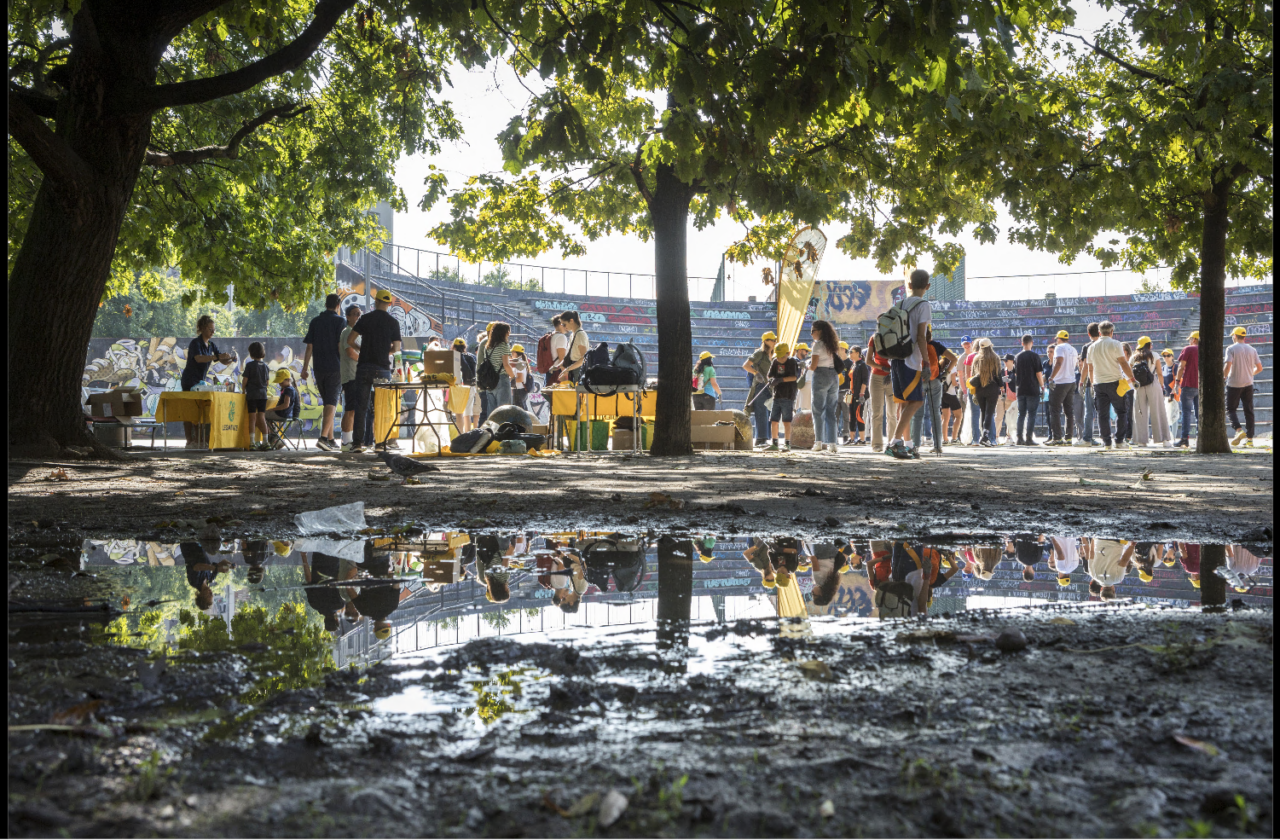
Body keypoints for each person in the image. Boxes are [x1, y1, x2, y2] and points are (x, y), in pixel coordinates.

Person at [346, 289, 402, 454]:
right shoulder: (393, 322)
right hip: (383, 368)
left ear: (376, 301)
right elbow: (396, 348)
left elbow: (350, 340)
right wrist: (385, 352)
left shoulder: (365, 319)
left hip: (364, 367)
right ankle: (379, 443)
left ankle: (357, 443)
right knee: (381, 408)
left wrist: (361, 349)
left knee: (361, 406)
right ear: (389, 304)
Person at [886, 269, 933, 459]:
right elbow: (921, 337)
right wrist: (927, 363)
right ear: (928, 286)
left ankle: (905, 444)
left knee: (906, 404)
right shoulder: (924, 305)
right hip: (911, 361)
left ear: (909, 285)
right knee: (917, 401)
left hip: (896, 357)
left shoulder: (900, 303)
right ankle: (895, 442)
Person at [179, 314, 236, 446]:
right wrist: (216, 356)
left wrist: (229, 359)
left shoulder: (211, 344)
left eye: (213, 329)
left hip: (200, 381)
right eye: (210, 329)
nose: (213, 332)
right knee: (190, 410)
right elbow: (199, 358)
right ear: (203, 328)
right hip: (190, 380)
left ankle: (200, 439)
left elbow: (220, 359)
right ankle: (190, 440)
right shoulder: (195, 343)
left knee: (201, 410)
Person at [301, 293, 345, 451]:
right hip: (335, 367)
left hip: (318, 368)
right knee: (332, 402)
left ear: (326, 304)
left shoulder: (315, 321)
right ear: (338, 305)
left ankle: (331, 439)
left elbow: (309, 347)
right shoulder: (341, 321)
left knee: (328, 403)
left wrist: (305, 368)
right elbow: (341, 346)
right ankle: (323, 438)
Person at [1090, 320, 1139, 450]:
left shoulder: (1092, 347)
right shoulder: (1116, 344)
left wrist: (1091, 383)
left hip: (1098, 383)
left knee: (1102, 414)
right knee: (1122, 412)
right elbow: (1123, 363)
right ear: (1112, 332)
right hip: (1115, 383)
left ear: (1099, 332)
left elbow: (1090, 368)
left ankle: (1106, 443)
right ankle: (1119, 441)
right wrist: (1132, 378)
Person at [910, 326, 954, 454]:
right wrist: (946, 373)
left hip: (919, 381)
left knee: (918, 415)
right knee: (935, 413)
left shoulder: (915, 346)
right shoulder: (936, 345)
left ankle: (916, 445)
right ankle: (938, 446)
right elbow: (954, 358)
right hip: (935, 380)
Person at [338, 305, 372, 451]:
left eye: (359, 314)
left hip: (353, 375)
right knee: (350, 409)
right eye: (355, 314)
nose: (358, 317)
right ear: (347, 316)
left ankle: (348, 440)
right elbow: (350, 352)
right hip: (351, 375)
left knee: (352, 408)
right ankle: (346, 442)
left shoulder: (354, 333)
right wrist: (365, 359)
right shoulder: (348, 332)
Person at [1224, 326, 1263, 446]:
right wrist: (1250, 374)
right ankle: (1250, 439)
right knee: (1249, 411)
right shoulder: (1252, 349)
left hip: (1234, 383)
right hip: (1248, 384)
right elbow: (1260, 368)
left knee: (1230, 409)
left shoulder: (1231, 348)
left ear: (1235, 336)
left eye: (1232, 336)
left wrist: (1223, 377)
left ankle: (1238, 430)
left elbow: (1228, 366)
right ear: (1244, 336)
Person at [1130, 336, 1172, 447]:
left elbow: (1130, 373)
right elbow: (1159, 373)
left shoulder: (1134, 357)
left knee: (1140, 413)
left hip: (1139, 386)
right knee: (1158, 411)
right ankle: (1164, 440)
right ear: (1148, 344)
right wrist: (1161, 386)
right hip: (1153, 383)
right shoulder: (1154, 355)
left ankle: (1141, 441)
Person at [807, 322, 841, 453]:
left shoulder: (818, 345)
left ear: (820, 331)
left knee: (818, 410)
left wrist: (806, 365)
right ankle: (832, 443)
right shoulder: (832, 344)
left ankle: (819, 442)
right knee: (831, 411)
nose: (811, 333)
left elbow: (814, 366)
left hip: (821, 375)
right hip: (833, 375)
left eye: (813, 330)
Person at [744, 331, 778, 446]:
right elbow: (745, 365)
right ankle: (761, 439)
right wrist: (755, 373)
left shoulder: (772, 355)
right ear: (766, 341)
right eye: (773, 340)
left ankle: (763, 438)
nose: (774, 342)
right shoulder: (759, 353)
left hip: (769, 387)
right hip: (760, 386)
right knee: (761, 412)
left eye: (775, 340)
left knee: (767, 412)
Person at [1046, 330, 1078, 446]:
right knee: (1069, 411)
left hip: (1060, 382)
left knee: (1054, 409)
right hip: (1071, 381)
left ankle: (1057, 437)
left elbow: (1059, 362)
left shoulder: (1059, 348)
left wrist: (1051, 377)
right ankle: (1068, 437)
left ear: (1058, 339)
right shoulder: (1073, 349)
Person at [479, 322, 516, 420]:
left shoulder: (488, 346)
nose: (509, 333)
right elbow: (506, 364)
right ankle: (503, 433)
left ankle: (493, 432)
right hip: (502, 379)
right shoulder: (503, 345)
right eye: (508, 331)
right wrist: (513, 376)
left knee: (492, 412)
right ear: (503, 332)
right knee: (504, 411)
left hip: (490, 381)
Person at [1073, 322, 1102, 447]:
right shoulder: (1105, 345)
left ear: (1089, 334)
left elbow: (1085, 366)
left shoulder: (1087, 347)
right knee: (1102, 412)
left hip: (1091, 382)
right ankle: (1106, 438)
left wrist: (1081, 382)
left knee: (1089, 412)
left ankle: (1087, 438)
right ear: (1100, 332)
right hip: (1106, 381)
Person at [765, 342, 798, 450]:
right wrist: (771, 380)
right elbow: (769, 375)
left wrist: (781, 380)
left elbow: (794, 377)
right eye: (778, 356)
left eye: (782, 356)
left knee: (786, 420)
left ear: (788, 353)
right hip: (776, 395)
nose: (780, 359)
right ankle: (774, 443)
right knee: (774, 420)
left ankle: (787, 443)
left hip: (788, 396)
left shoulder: (792, 362)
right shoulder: (775, 362)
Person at [1013, 334, 1045, 446]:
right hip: (1032, 389)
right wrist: (1042, 386)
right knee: (1032, 414)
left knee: (1021, 414)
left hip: (1020, 389)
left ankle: (1019, 438)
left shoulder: (1017, 357)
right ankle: (1029, 438)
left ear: (1022, 343)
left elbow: (1015, 373)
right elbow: (1038, 373)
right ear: (1032, 343)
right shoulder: (1035, 356)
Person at [865, 335, 895, 453]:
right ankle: (877, 444)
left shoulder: (896, 337)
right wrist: (882, 367)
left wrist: (892, 371)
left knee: (892, 413)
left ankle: (893, 442)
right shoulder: (874, 338)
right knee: (876, 413)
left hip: (892, 377)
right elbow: (868, 360)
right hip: (877, 377)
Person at [971, 338, 1002, 447]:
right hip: (992, 388)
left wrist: (974, 392)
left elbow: (972, 375)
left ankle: (984, 436)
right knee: (990, 412)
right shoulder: (995, 358)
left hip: (980, 389)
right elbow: (998, 375)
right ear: (990, 346)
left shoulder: (976, 358)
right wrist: (1001, 385)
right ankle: (985, 436)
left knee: (983, 412)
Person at [241, 342, 271, 451]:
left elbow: (245, 381)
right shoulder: (266, 366)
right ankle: (266, 442)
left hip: (252, 394)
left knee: (252, 418)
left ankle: (252, 442)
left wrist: (243, 390)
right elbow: (267, 382)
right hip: (263, 395)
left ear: (251, 353)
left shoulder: (249, 365)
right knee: (261, 417)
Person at [1174, 330, 1200, 447]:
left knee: (1186, 413)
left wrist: (1177, 382)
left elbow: (1181, 366)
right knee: (1199, 414)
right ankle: (1200, 438)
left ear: (1194, 339)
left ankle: (1185, 439)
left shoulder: (1189, 349)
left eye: (1190, 339)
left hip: (1188, 384)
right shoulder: (1205, 350)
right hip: (1200, 386)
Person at [549, 311, 589, 383]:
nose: (563, 326)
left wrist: (567, 369)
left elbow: (584, 359)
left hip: (579, 370)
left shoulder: (580, 335)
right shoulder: (573, 334)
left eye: (564, 324)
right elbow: (570, 355)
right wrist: (558, 366)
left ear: (571, 321)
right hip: (574, 369)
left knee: (577, 393)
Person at [265, 368, 300, 448]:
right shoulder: (290, 389)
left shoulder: (288, 390)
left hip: (282, 414)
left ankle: (274, 436)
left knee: (262, 415)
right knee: (268, 418)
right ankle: (276, 437)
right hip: (286, 414)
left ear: (288, 380)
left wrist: (272, 409)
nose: (280, 384)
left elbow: (285, 405)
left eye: (281, 381)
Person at [452, 336, 478, 434]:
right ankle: (468, 434)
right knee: (467, 413)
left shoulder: (453, 357)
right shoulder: (471, 356)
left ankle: (460, 434)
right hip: (470, 386)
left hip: (458, 387)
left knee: (459, 413)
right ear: (464, 347)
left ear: (454, 347)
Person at [957, 336, 978, 445]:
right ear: (962, 345)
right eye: (964, 344)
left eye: (968, 343)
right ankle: (964, 437)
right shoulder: (962, 358)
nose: (967, 345)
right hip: (966, 389)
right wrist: (964, 392)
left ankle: (974, 436)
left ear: (972, 343)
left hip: (975, 388)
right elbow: (961, 376)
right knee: (966, 414)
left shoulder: (975, 355)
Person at [847, 345, 869, 445]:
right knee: (851, 416)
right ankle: (851, 439)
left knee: (858, 415)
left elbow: (865, 381)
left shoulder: (862, 365)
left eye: (851, 351)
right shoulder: (854, 365)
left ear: (857, 353)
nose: (850, 353)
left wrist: (861, 394)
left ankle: (862, 439)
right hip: (851, 394)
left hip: (859, 395)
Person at [999, 353, 1019, 446]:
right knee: (1008, 417)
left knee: (1015, 418)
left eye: (1006, 361)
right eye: (1003, 361)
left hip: (1017, 397)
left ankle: (1015, 435)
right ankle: (1009, 435)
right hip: (1007, 398)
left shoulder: (1017, 370)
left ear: (1012, 361)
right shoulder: (1003, 371)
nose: (1004, 362)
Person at [1161, 348, 1181, 440]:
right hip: (1165, 395)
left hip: (1174, 394)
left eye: (1168, 355)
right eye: (1164, 356)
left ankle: (1173, 437)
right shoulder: (1163, 368)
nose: (1166, 357)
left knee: (1174, 417)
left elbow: (1179, 379)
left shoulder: (1176, 367)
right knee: (1166, 416)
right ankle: (1168, 436)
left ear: (1172, 356)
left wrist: (1174, 390)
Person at [835, 341, 852, 443]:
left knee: (846, 415)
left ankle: (846, 435)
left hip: (847, 392)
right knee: (835, 415)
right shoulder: (835, 362)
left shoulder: (850, 363)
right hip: (836, 392)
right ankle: (834, 435)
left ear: (843, 349)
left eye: (838, 349)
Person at [510, 343, 531, 410]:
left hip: (519, 390)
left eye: (512, 352)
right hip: (519, 390)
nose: (511, 354)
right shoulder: (519, 362)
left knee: (520, 411)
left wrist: (509, 380)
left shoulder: (519, 363)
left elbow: (520, 378)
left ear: (515, 353)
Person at [793, 343, 812, 412]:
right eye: (806, 351)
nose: (807, 353)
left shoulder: (801, 362)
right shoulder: (794, 361)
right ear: (800, 350)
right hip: (794, 389)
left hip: (797, 389)